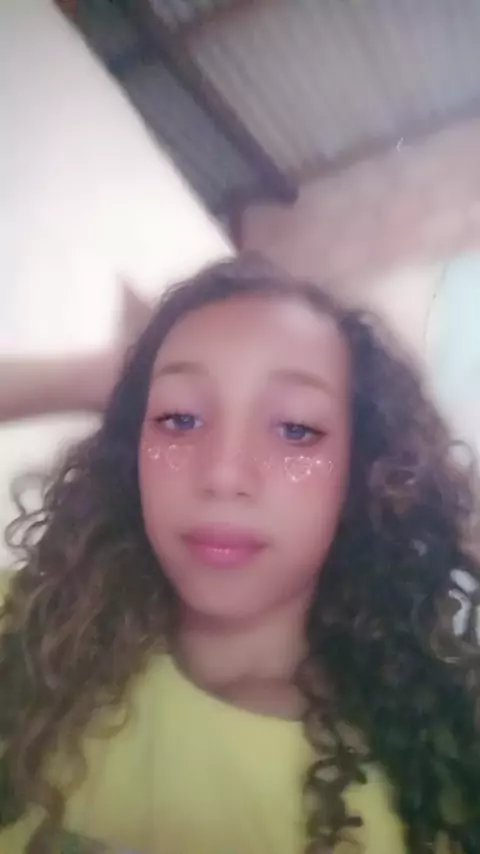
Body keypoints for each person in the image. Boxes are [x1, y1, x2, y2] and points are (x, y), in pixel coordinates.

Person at [1, 256, 480, 854]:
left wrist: (444, 519)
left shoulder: (430, 789)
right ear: (133, 447)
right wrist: (98, 377)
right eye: (178, 419)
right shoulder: (28, 627)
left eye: (296, 430)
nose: (223, 474)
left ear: (364, 473)